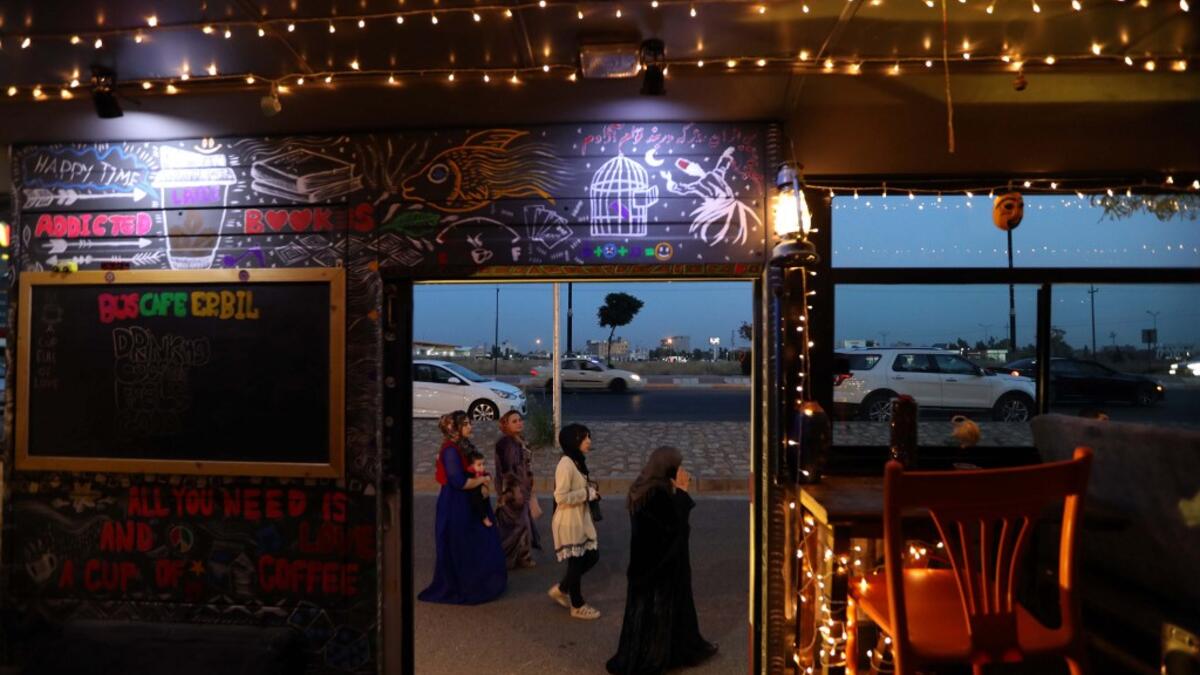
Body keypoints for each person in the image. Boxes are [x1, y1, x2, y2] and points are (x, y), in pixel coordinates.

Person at [606, 447, 718, 674]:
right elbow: (673, 528)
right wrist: (683, 493)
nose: (680, 470)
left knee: (642, 613)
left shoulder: (642, 487)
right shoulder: (658, 495)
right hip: (661, 566)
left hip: (642, 565)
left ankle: (649, 653)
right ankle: (659, 656)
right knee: (661, 612)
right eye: (676, 466)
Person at [418, 411, 507, 605]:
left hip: (470, 501)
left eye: (469, 423)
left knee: (480, 541)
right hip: (456, 503)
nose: (470, 427)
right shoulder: (450, 450)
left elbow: (476, 468)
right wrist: (482, 480)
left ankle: (480, 581)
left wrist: (483, 481)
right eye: (465, 424)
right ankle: (464, 585)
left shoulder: (464, 446)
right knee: (461, 543)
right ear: (455, 429)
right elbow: (458, 481)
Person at [549, 423, 602, 620]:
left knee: (587, 558)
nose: (589, 441)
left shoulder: (577, 461)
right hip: (569, 521)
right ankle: (576, 603)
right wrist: (586, 493)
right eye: (584, 437)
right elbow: (560, 496)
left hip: (579, 518)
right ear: (573, 441)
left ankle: (563, 590)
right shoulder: (565, 465)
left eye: (588, 437)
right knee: (579, 561)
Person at [494, 411, 541, 569]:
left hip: (523, 488)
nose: (519, 423)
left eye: (520, 420)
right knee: (517, 526)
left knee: (523, 525)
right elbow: (508, 471)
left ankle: (522, 557)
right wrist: (512, 493)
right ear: (506, 424)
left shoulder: (519, 440)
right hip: (513, 491)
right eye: (514, 421)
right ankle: (501, 557)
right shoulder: (505, 443)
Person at [464, 449, 494, 528]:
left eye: (483, 464)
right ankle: (484, 517)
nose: (482, 467)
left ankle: (486, 512)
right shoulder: (469, 473)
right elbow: (468, 483)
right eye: (479, 465)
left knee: (485, 499)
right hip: (473, 494)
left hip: (481, 492)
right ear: (471, 465)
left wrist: (488, 477)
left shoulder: (481, 471)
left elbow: (487, 474)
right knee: (477, 499)